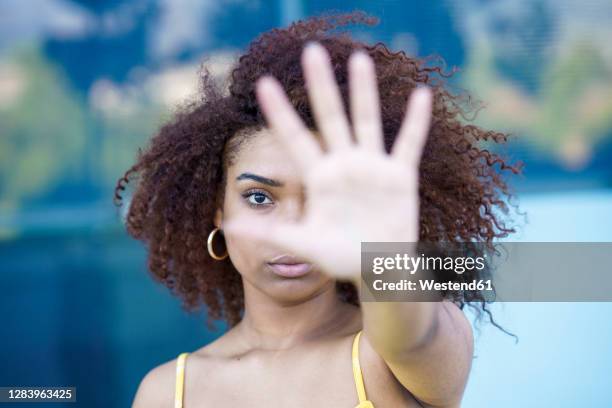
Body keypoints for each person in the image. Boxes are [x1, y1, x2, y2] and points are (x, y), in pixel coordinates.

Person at [116, 11, 519, 408]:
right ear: (217, 210)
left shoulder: (388, 356)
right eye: (259, 197)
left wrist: (381, 253)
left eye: (324, 199)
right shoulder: (168, 392)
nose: (292, 225)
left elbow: (416, 337)